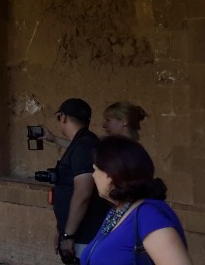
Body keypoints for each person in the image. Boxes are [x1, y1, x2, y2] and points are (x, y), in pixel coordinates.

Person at [81, 136, 191, 265]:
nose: (93, 175)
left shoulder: (148, 215)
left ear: (110, 175)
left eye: (95, 170)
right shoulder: (116, 212)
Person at [47, 98, 110, 263]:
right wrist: (61, 228)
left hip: (83, 236)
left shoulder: (84, 146)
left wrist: (68, 234)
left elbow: (83, 194)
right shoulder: (83, 142)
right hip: (78, 232)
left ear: (63, 117)